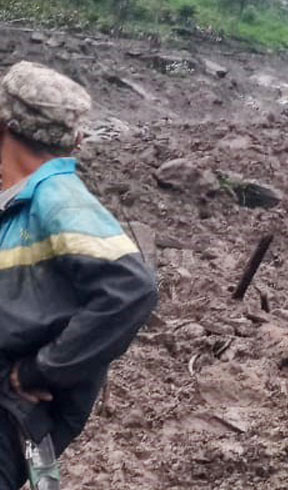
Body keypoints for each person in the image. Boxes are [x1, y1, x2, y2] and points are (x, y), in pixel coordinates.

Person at [0, 62, 158, 489]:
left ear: (5, 122)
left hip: (11, 411)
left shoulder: (59, 197)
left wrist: (42, 371)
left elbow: (132, 289)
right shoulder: (23, 201)